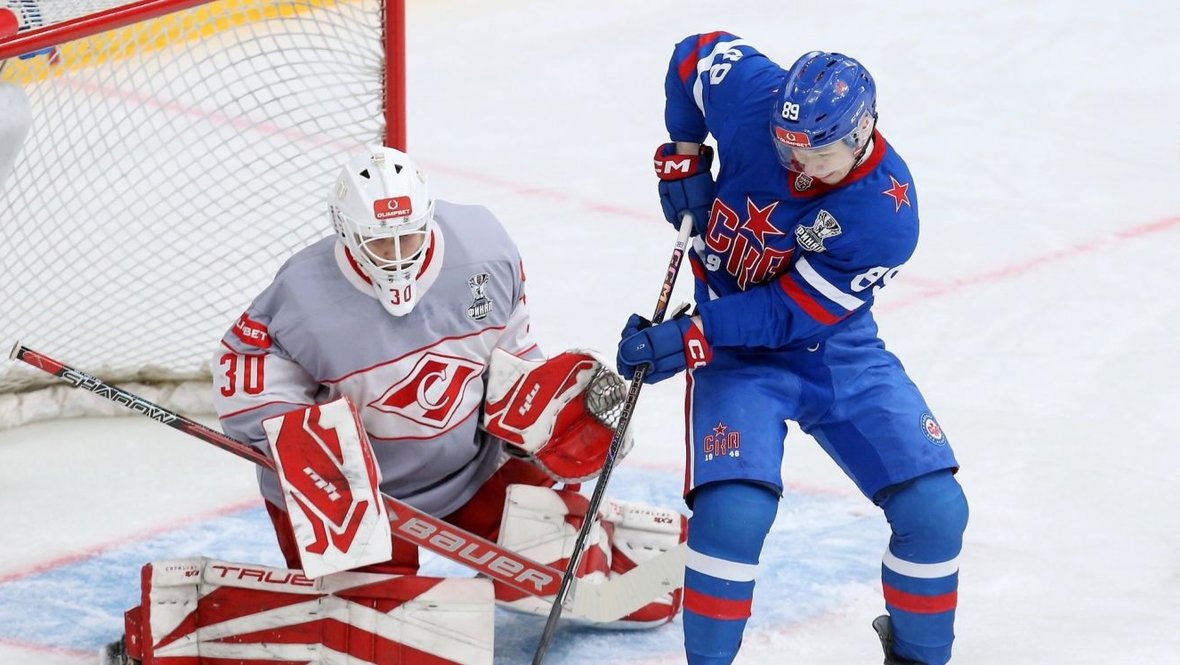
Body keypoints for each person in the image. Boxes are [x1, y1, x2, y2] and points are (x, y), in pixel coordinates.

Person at [101, 145, 685, 664]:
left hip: (471, 466)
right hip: (357, 499)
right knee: (388, 639)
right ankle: (192, 624)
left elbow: (513, 352)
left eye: (410, 236)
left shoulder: (483, 248)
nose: (399, 254)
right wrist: (304, 447)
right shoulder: (302, 295)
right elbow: (244, 369)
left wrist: (545, 413)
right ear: (346, 233)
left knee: (567, 559)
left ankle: (604, 547)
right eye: (380, 242)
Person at [616, 33, 968, 665]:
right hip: (739, 361)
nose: (799, 165)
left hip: (833, 348)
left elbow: (785, 314)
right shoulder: (756, 95)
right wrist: (685, 154)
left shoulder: (884, 214)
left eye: (820, 153)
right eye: (787, 146)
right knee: (733, 516)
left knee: (935, 510)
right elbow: (694, 55)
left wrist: (692, 335)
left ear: (863, 132)